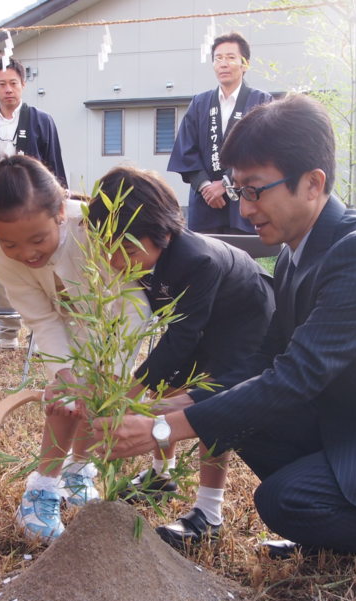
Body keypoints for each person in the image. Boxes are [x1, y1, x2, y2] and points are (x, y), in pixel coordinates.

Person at [95, 95, 356, 589]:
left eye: (256, 191)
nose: (245, 207)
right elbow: (265, 362)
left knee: (285, 502)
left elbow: (294, 378)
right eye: (239, 190)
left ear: (313, 183)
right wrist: (175, 404)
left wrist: (164, 431)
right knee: (241, 420)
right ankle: (340, 527)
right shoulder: (292, 255)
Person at [86, 166, 275, 550]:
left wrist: (132, 391)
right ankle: (161, 475)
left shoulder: (196, 259)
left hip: (244, 319)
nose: (113, 259)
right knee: (167, 385)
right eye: (106, 247)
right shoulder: (141, 260)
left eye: (123, 248)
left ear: (164, 233)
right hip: (198, 322)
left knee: (209, 404)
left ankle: (209, 511)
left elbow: (181, 338)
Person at [0, 155, 147, 542]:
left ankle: (79, 470)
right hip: (64, 323)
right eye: (10, 243)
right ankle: (42, 487)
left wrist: (109, 371)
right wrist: (63, 375)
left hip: (115, 319)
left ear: (59, 212)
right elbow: (42, 320)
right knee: (66, 397)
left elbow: (132, 301)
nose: (27, 254)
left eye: (37, 239)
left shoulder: (94, 230)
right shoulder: (0, 259)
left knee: (98, 395)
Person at [0, 56, 66, 353]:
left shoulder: (41, 120)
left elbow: (55, 167)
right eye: (2, 84)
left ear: (24, 84)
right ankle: (6, 332)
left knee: (46, 267)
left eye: (14, 83)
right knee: (2, 266)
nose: (8, 89)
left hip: (35, 210)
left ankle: (40, 334)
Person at [167, 31, 273, 234]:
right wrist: (207, 186)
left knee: (242, 261)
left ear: (245, 64)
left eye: (231, 57)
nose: (223, 64)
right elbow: (186, 151)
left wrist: (225, 183)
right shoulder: (200, 103)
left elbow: (264, 151)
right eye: (218, 58)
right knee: (206, 261)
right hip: (205, 203)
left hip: (244, 201)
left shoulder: (261, 101)